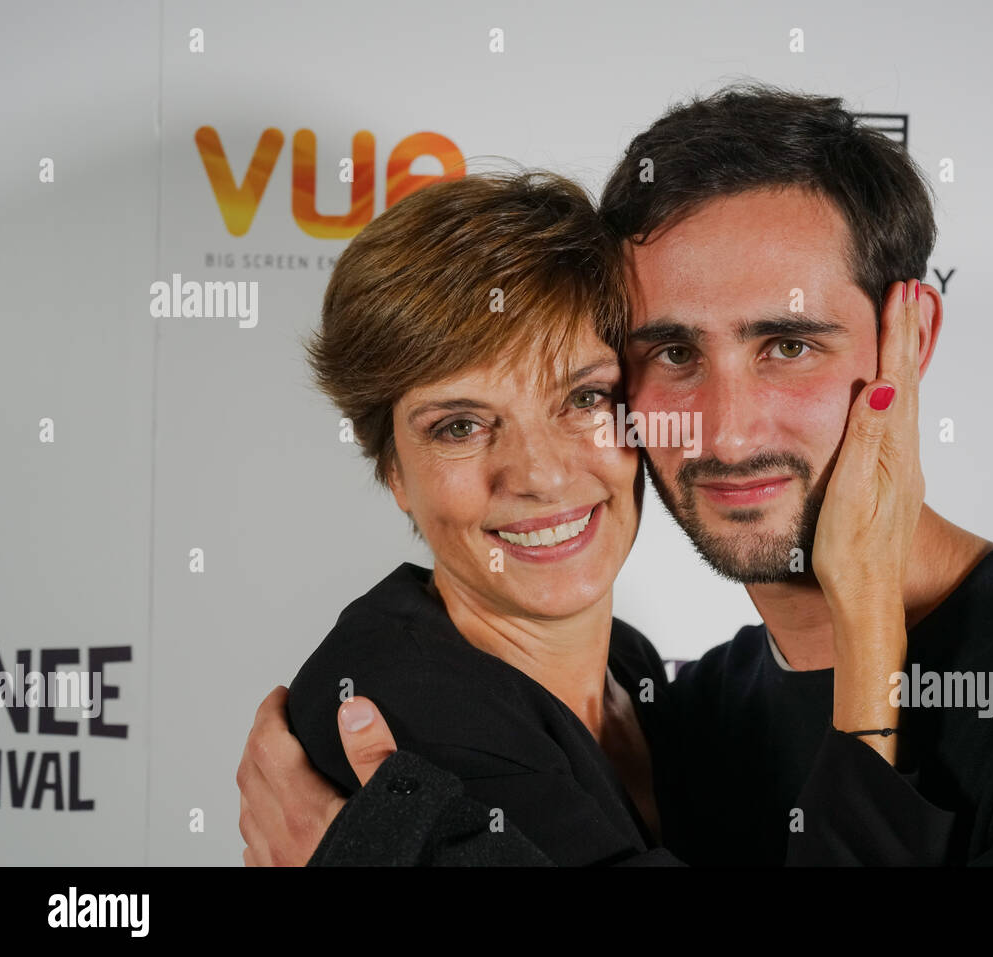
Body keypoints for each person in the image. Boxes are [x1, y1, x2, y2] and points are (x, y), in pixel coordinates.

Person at [240, 83, 993, 867]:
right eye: (673, 352)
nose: (724, 431)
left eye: (787, 345)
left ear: (910, 340)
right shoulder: (694, 711)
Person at [243, 165, 928, 866]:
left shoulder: (629, 667)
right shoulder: (409, 716)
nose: (539, 474)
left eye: (582, 399)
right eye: (459, 426)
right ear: (394, 470)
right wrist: (871, 615)